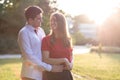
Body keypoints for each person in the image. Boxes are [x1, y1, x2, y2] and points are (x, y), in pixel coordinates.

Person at [17, 6, 63, 80]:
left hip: (43, 74)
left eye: (41, 18)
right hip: (30, 75)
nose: (41, 20)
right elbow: (29, 57)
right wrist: (50, 68)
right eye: (38, 18)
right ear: (30, 20)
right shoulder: (24, 33)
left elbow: (46, 49)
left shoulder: (41, 30)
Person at [41, 12, 73, 80]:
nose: (52, 22)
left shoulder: (68, 40)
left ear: (61, 23)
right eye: (51, 20)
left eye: (55, 20)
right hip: (51, 75)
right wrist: (64, 60)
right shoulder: (46, 40)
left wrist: (71, 64)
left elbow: (71, 55)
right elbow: (45, 59)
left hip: (66, 75)